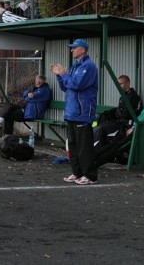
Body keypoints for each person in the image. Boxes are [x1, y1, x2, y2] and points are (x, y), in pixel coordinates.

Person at [50, 39, 99, 185]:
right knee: (73, 145)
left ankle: (90, 176)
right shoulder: (74, 67)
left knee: (84, 146)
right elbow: (66, 87)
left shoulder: (88, 66)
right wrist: (59, 76)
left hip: (82, 112)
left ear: (82, 50)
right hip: (71, 112)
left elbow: (77, 85)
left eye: (74, 48)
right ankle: (77, 173)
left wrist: (64, 75)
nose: (71, 50)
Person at [93, 75, 142, 145]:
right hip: (118, 122)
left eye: (120, 84)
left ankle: (98, 151)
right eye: (117, 84)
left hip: (125, 126)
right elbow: (119, 112)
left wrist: (118, 113)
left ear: (127, 84)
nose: (118, 86)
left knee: (100, 130)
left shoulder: (132, 97)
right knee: (98, 126)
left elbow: (125, 115)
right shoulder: (124, 95)